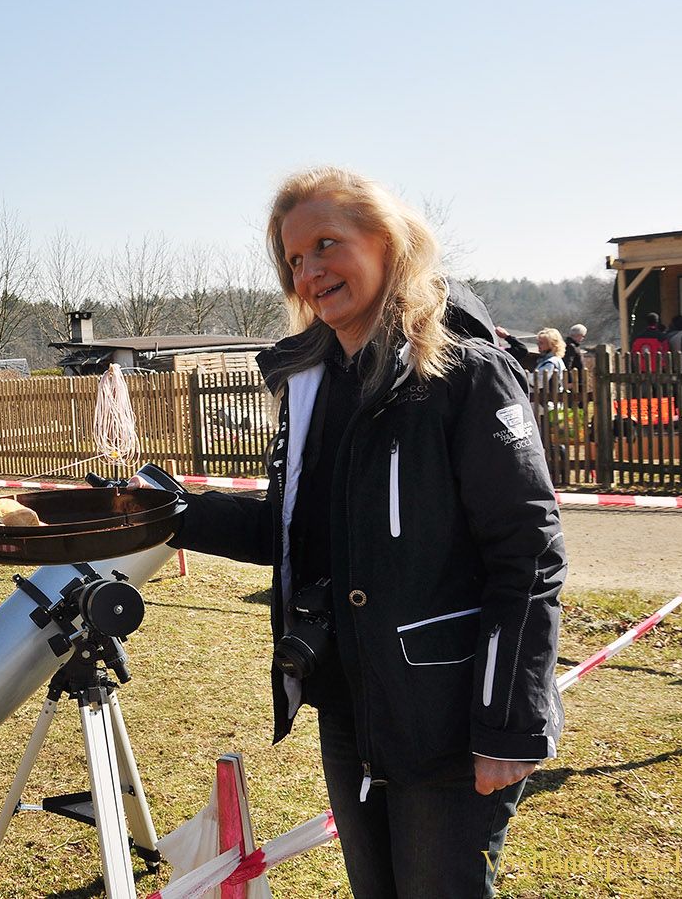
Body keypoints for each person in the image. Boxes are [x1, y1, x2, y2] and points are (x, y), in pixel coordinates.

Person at [160, 168, 565, 898]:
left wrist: (508, 722)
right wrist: (163, 512)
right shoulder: (313, 385)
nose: (309, 273)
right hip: (349, 705)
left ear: (386, 241)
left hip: (448, 715)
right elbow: (292, 530)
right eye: (294, 259)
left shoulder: (466, 375)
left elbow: (528, 557)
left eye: (326, 245)